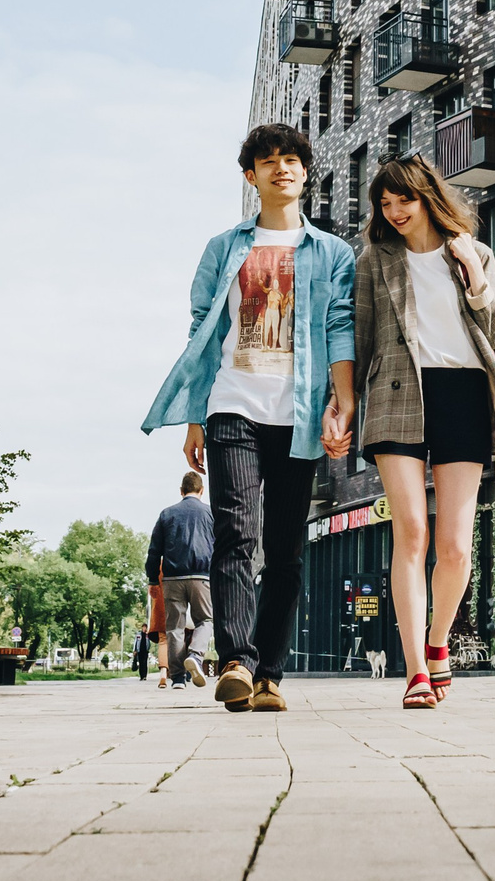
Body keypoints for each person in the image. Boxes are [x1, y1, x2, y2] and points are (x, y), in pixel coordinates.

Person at [142, 122, 356, 714]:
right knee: (237, 533)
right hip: (231, 403)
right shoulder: (224, 247)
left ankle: (269, 675)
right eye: (269, 161)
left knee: (285, 549)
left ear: (305, 173)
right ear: (251, 176)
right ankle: (236, 660)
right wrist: (195, 417)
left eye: (292, 160)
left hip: (299, 413)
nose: (281, 168)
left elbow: (340, 326)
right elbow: (202, 334)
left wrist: (343, 403)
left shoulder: (332, 252)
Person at [353, 155, 495, 709]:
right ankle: (416, 671)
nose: (395, 211)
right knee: (411, 534)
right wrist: (342, 404)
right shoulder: (375, 258)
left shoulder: (473, 252)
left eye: (405, 199)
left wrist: (474, 273)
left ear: (428, 197)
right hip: (395, 393)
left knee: (454, 547)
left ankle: (439, 640)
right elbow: (361, 337)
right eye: (385, 203)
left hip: (463, 394)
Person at [147, 470, 215, 690]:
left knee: (174, 628)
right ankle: (195, 655)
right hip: (201, 576)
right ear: (201, 490)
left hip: (172, 578)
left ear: (181, 490)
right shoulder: (210, 513)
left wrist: (152, 579)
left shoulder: (167, 514)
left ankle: (177, 679)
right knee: (205, 620)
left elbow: (154, 550)